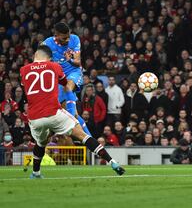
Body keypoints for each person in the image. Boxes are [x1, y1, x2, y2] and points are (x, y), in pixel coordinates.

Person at [20, 45, 125, 178]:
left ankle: (35, 173)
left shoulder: (23, 70)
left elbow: (26, 90)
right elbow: (66, 84)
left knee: (40, 143)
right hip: (54, 112)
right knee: (82, 135)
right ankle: (112, 162)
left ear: (35, 55)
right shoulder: (54, 66)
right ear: (49, 58)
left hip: (34, 117)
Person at [42, 22, 91, 136]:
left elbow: (78, 62)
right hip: (58, 77)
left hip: (74, 71)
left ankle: (70, 118)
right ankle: (91, 139)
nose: (68, 39)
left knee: (68, 87)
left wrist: (69, 60)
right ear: (56, 35)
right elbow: (39, 60)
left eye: (68, 35)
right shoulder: (47, 43)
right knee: (75, 115)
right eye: (64, 37)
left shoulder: (74, 39)